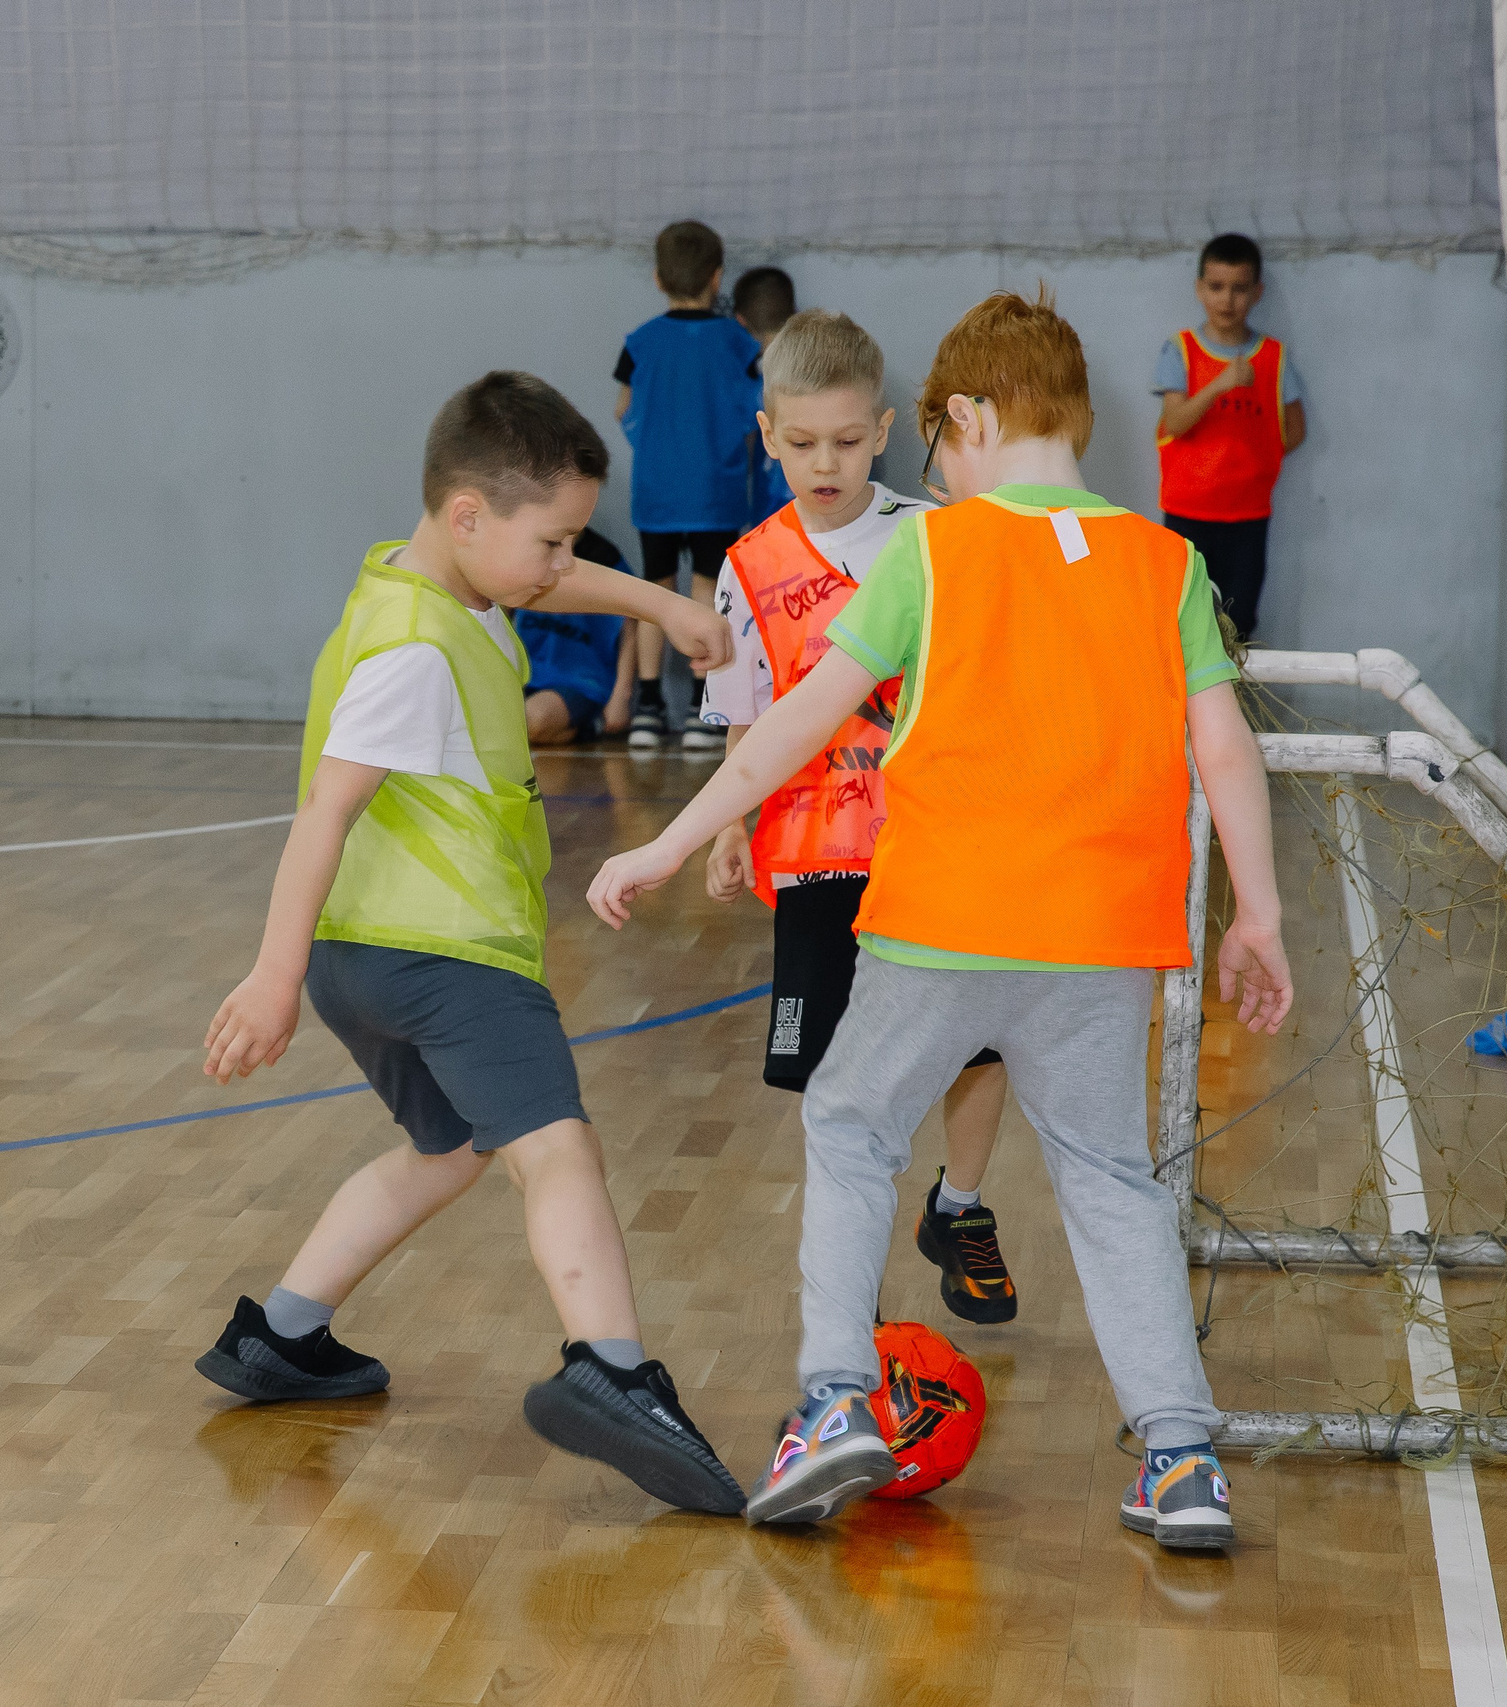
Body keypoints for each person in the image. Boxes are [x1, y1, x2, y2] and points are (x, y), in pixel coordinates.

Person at [588, 288, 1294, 1541]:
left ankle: (837, 1402)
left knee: (854, 1126)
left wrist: (672, 836)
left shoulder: (929, 551)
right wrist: (1260, 918)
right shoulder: (1166, 560)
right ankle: (1181, 1459)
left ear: (962, 415)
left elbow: (794, 730)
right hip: (1103, 939)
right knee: (1110, 1182)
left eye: (932, 443)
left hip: (941, 925)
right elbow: (1226, 751)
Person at [194, 371, 747, 1515]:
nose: (557, 567)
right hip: (441, 953)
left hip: (370, 954)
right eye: (548, 543)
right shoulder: (415, 653)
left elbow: (545, 573)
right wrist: (268, 975)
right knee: (559, 1151)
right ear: (467, 517)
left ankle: (280, 1335)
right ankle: (612, 1368)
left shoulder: (439, 582)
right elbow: (324, 815)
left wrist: (664, 608)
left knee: (448, 1148)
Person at [699, 309, 1021, 1327]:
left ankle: (958, 1207)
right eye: (800, 444)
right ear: (766, 436)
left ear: (882, 430)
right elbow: (746, 715)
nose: (823, 462)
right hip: (813, 860)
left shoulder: (933, 539)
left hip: (935, 848)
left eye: (845, 440)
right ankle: (860, 1310)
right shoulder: (748, 566)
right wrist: (719, 826)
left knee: (977, 1043)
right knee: (838, 1092)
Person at [615, 220, 764, 752]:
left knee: (656, 595)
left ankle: (648, 709)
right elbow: (756, 414)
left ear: (658, 278)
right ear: (717, 276)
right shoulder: (739, 344)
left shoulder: (639, 342)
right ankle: (707, 708)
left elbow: (624, 409)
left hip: (655, 491)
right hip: (716, 491)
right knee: (707, 593)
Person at [1152, 232, 1305, 642]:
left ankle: (1233, 704)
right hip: (1188, 512)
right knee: (1184, 618)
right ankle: (1185, 707)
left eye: (1240, 288)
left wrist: (1251, 464)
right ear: (1200, 289)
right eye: (1217, 287)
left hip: (1247, 516)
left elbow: (1294, 430)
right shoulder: (1180, 350)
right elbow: (1177, 423)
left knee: (1237, 624)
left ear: (1257, 292)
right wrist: (1220, 385)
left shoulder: (1274, 356)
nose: (1227, 300)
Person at [515, 528, 639, 745]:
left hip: (580, 682)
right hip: (525, 675)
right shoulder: (524, 548)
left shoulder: (605, 557)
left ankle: (583, 727)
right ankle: (569, 731)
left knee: (530, 721)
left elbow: (630, 630)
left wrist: (621, 695)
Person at [730, 265, 799, 522]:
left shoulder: (756, 383)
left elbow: (747, 451)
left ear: (741, 319)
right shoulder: (822, 365)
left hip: (773, 503)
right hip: (828, 500)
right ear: (793, 311)